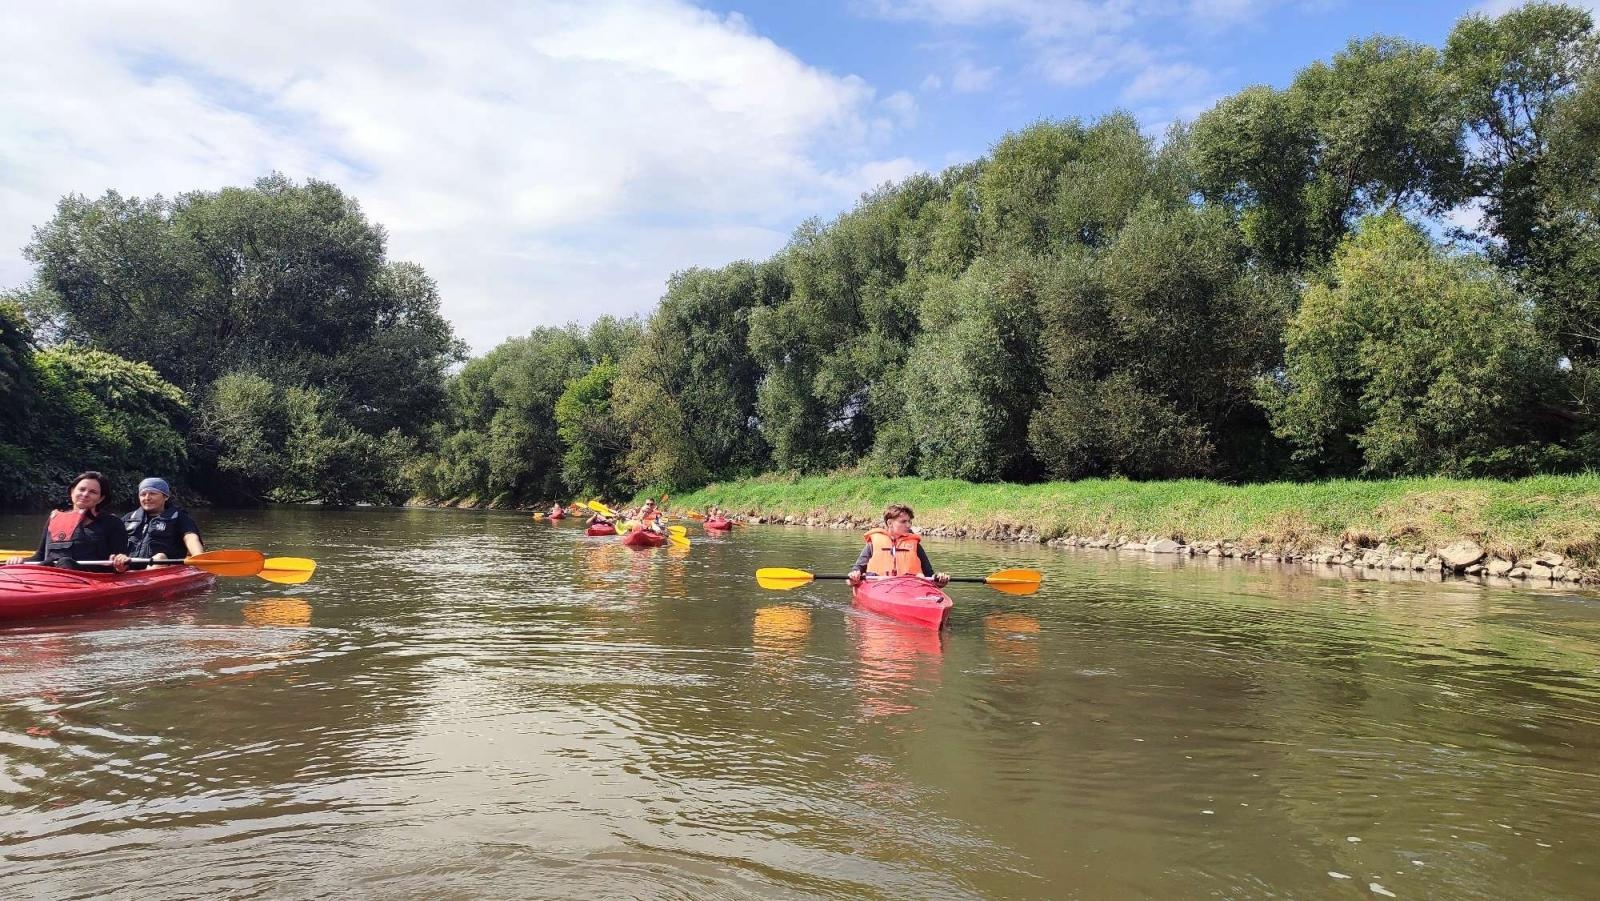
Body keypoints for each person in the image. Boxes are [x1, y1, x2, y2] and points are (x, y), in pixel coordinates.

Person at [5, 471, 130, 572]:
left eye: (93, 492)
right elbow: (40, 556)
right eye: (81, 489)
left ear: (101, 498)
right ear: (72, 492)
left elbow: (121, 559)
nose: (85, 494)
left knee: (65, 562)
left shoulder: (113, 523)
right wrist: (20, 561)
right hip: (50, 575)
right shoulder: (54, 519)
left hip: (91, 578)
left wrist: (120, 564)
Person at [847, 503, 949, 587]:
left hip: (911, 587)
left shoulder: (915, 545)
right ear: (890, 523)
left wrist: (939, 581)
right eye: (903, 522)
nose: (908, 525)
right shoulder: (873, 543)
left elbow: (929, 575)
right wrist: (855, 576)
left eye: (909, 521)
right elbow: (857, 569)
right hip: (878, 585)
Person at [122, 477, 204, 562]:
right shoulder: (128, 518)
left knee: (160, 557)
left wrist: (199, 558)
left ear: (165, 497)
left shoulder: (179, 517)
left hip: (164, 567)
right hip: (128, 568)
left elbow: (191, 538)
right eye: (143, 494)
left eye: (152, 493)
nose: (147, 498)